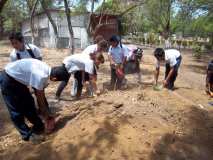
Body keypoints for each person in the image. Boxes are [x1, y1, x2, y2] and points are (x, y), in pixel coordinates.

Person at [0, 59, 65, 143]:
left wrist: (46, 115)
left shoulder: (46, 69)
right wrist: (46, 115)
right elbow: (40, 99)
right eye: (55, 81)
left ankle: (38, 125)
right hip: (8, 78)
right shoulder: (41, 76)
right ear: (54, 78)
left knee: (29, 102)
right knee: (15, 110)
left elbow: (39, 93)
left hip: (18, 80)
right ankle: (26, 135)